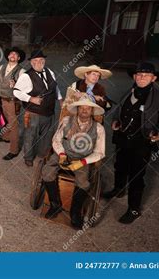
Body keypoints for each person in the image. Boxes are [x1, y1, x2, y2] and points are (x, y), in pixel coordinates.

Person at [103, 62, 159, 224]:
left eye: (146, 75)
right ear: (134, 77)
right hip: (123, 138)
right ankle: (118, 189)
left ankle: (133, 209)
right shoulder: (128, 91)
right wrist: (116, 121)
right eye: (139, 75)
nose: (141, 78)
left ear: (153, 78)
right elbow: (119, 110)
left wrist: (158, 134)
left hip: (142, 142)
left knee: (136, 176)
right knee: (119, 165)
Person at [43, 96, 105, 229]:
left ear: (92, 111)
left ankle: (75, 212)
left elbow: (100, 152)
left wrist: (83, 162)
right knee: (47, 171)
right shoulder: (67, 121)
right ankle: (55, 204)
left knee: (83, 182)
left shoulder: (99, 128)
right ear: (77, 109)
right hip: (64, 153)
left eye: (88, 108)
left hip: (82, 159)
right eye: (81, 107)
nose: (84, 110)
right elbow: (56, 140)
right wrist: (61, 154)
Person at [13, 49, 63, 166]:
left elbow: (55, 87)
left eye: (41, 60)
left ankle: (41, 155)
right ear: (31, 62)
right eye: (35, 60)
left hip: (49, 112)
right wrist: (31, 99)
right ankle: (28, 158)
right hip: (33, 113)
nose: (38, 62)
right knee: (30, 136)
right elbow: (16, 92)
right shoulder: (26, 76)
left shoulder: (50, 72)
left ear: (44, 61)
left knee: (47, 136)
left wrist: (60, 99)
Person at [0, 47, 26, 160]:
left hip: (12, 101)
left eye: (15, 54)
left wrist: (16, 85)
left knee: (14, 125)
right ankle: (6, 137)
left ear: (18, 58)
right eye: (11, 54)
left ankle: (13, 150)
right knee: (5, 120)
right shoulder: (1, 67)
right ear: (8, 56)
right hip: (2, 98)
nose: (13, 55)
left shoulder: (21, 71)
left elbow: (25, 89)